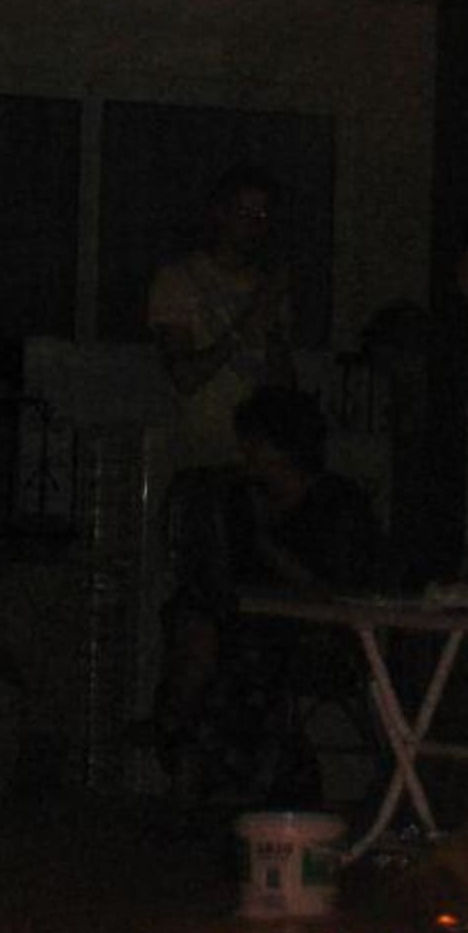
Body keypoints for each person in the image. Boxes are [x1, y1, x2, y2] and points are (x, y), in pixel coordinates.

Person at [153, 386, 390, 800]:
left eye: (255, 441)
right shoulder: (242, 500)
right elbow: (225, 577)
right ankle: (189, 755)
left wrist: (268, 546)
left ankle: (218, 771)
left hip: (313, 634)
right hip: (244, 624)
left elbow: (339, 591)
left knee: (239, 666)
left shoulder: (337, 504)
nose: (244, 451)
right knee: (199, 641)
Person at [147, 164, 299, 610]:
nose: (255, 226)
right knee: (202, 597)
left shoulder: (267, 289)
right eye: (245, 213)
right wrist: (246, 324)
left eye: (263, 216)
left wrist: (270, 321)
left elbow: (283, 388)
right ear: (218, 214)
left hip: (257, 474)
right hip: (203, 464)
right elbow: (185, 376)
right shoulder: (179, 280)